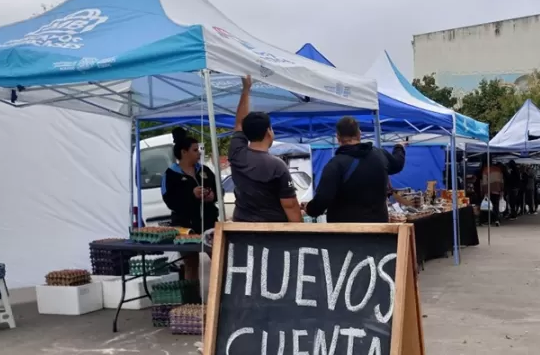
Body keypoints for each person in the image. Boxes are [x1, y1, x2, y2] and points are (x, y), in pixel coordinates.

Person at [229, 76, 302, 223]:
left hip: (242, 228)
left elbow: (238, 124)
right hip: (270, 232)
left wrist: (246, 90)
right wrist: (303, 234)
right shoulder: (277, 166)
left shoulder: (237, 153)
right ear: (269, 132)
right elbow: (290, 205)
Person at [306, 117, 405, 222]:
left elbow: (322, 201)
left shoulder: (335, 165)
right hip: (379, 230)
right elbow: (398, 164)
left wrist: (309, 209)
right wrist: (399, 147)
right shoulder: (380, 155)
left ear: (338, 138)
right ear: (359, 134)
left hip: (349, 233)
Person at [162, 127, 219, 281]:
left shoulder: (205, 170)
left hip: (208, 223)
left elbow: (218, 190)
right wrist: (191, 195)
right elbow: (170, 201)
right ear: (184, 152)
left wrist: (212, 196)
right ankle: (191, 301)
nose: (199, 153)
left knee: (219, 260)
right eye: (195, 150)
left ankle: (221, 298)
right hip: (184, 226)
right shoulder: (170, 174)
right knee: (191, 263)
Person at [481, 158, 504, 226]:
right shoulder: (498, 170)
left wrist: (484, 191)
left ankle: (489, 221)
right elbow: (502, 181)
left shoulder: (485, 170)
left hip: (489, 191)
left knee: (488, 206)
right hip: (497, 190)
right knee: (496, 205)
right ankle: (497, 220)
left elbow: (484, 182)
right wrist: (502, 189)